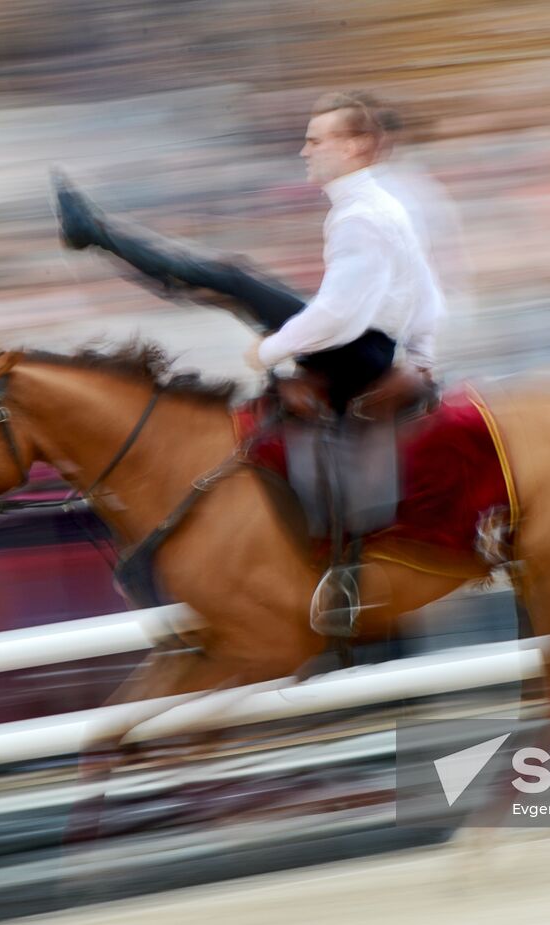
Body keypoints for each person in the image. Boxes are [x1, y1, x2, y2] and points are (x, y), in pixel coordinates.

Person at [53, 91, 447, 634]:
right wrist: (421, 355)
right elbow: (422, 289)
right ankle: (97, 234)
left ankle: (96, 234)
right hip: (370, 348)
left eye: (315, 141)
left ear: (355, 147)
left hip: (358, 350)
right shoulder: (376, 206)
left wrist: (270, 350)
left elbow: (340, 315)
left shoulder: (360, 216)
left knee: (232, 279)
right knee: (230, 281)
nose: (304, 151)